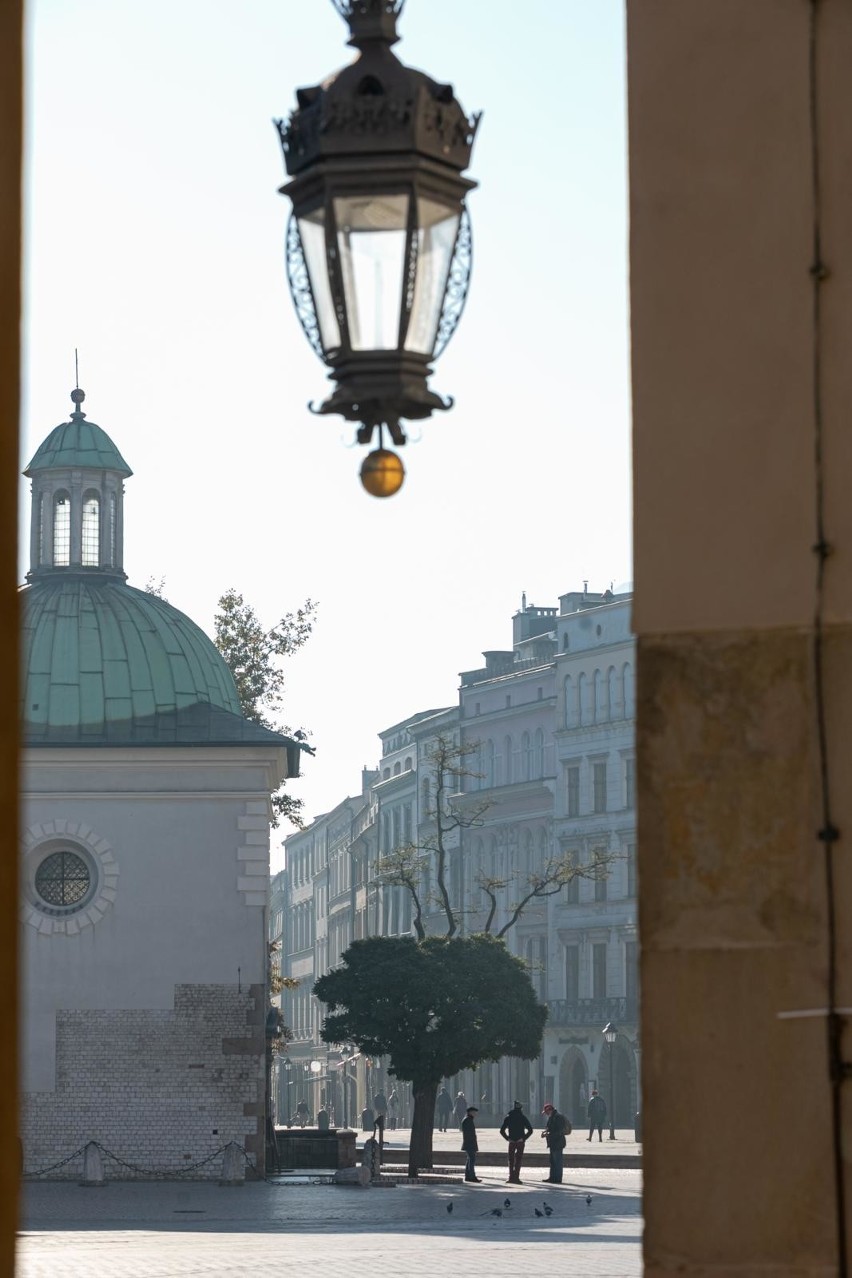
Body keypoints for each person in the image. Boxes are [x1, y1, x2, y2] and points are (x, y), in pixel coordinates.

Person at [499, 1099, 534, 1184]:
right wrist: (524, 1138)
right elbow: (530, 1130)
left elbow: (501, 1130)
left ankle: (511, 1177)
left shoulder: (509, 1116)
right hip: (520, 1141)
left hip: (511, 1141)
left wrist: (507, 1138)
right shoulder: (522, 1117)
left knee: (511, 1160)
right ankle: (516, 1178)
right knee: (518, 1159)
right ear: (521, 1108)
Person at [540, 1101, 570, 1183]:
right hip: (553, 1142)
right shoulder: (552, 1117)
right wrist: (545, 1132)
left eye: (546, 1112)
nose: (546, 1114)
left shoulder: (558, 1117)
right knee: (552, 1161)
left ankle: (557, 1178)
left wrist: (549, 1134)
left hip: (558, 1142)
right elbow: (550, 1128)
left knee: (557, 1161)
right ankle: (552, 1177)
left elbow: (559, 1131)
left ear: (550, 1110)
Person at [461, 1105, 481, 1182]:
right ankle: (472, 1176)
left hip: (469, 1143)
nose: (475, 1114)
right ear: (470, 1112)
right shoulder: (468, 1120)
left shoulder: (468, 1119)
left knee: (469, 1160)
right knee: (471, 1160)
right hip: (470, 1143)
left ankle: (468, 1176)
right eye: (474, 1112)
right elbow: (469, 1134)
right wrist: (472, 1143)